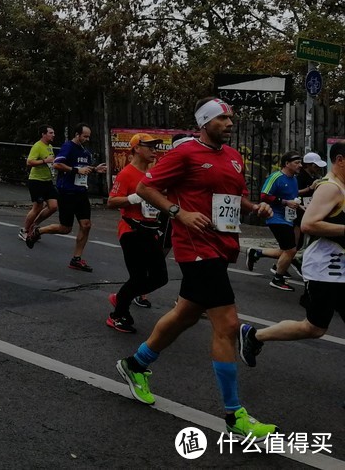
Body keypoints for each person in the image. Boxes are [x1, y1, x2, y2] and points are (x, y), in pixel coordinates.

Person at [116, 97, 276, 439]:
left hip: (223, 245)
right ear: (205, 123)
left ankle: (135, 364)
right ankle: (235, 416)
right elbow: (146, 187)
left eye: (231, 118)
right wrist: (179, 214)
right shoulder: (185, 153)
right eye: (222, 118)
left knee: (186, 315)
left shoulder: (233, 158)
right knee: (228, 324)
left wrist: (255, 207)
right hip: (196, 247)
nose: (230, 123)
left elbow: (235, 199)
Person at [237, 140, 345, 367]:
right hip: (326, 270)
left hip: (341, 269)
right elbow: (309, 224)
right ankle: (254, 336)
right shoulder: (330, 188)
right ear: (340, 161)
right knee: (313, 328)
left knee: (315, 327)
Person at [104, 133, 169, 334]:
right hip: (131, 230)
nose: (153, 150)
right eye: (149, 146)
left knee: (160, 277)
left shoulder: (153, 173)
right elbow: (111, 201)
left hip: (151, 231)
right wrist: (134, 198)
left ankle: (123, 296)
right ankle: (117, 315)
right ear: (136, 149)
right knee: (139, 277)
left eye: (155, 146)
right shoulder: (127, 174)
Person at [25, 123, 107, 272]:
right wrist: (76, 170)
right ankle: (38, 231)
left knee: (86, 225)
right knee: (65, 228)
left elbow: (83, 169)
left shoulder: (85, 151)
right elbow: (57, 164)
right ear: (77, 134)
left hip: (81, 192)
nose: (87, 139)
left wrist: (95, 169)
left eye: (89, 136)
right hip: (67, 192)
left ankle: (76, 259)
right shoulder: (68, 147)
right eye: (85, 136)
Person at [246, 151, 303, 290]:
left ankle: (256, 253)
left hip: (288, 218)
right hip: (275, 217)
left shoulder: (294, 179)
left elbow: (292, 198)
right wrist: (284, 202)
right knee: (290, 250)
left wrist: (300, 206)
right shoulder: (276, 177)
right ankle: (277, 279)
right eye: (297, 162)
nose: (300, 165)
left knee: (287, 250)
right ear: (287, 163)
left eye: (300, 162)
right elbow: (264, 195)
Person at [20, 125, 58, 240]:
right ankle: (25, 230)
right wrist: (44, 161)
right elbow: (29, 162)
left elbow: (51, 162)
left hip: (48, 181)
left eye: (53, 133)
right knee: (37, 206)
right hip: (36, 181)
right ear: (43, 134)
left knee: (53, 206)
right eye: (51, 133)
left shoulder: (50, 146)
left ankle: (34, 225)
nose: (53, 135)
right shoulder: (37, 146)